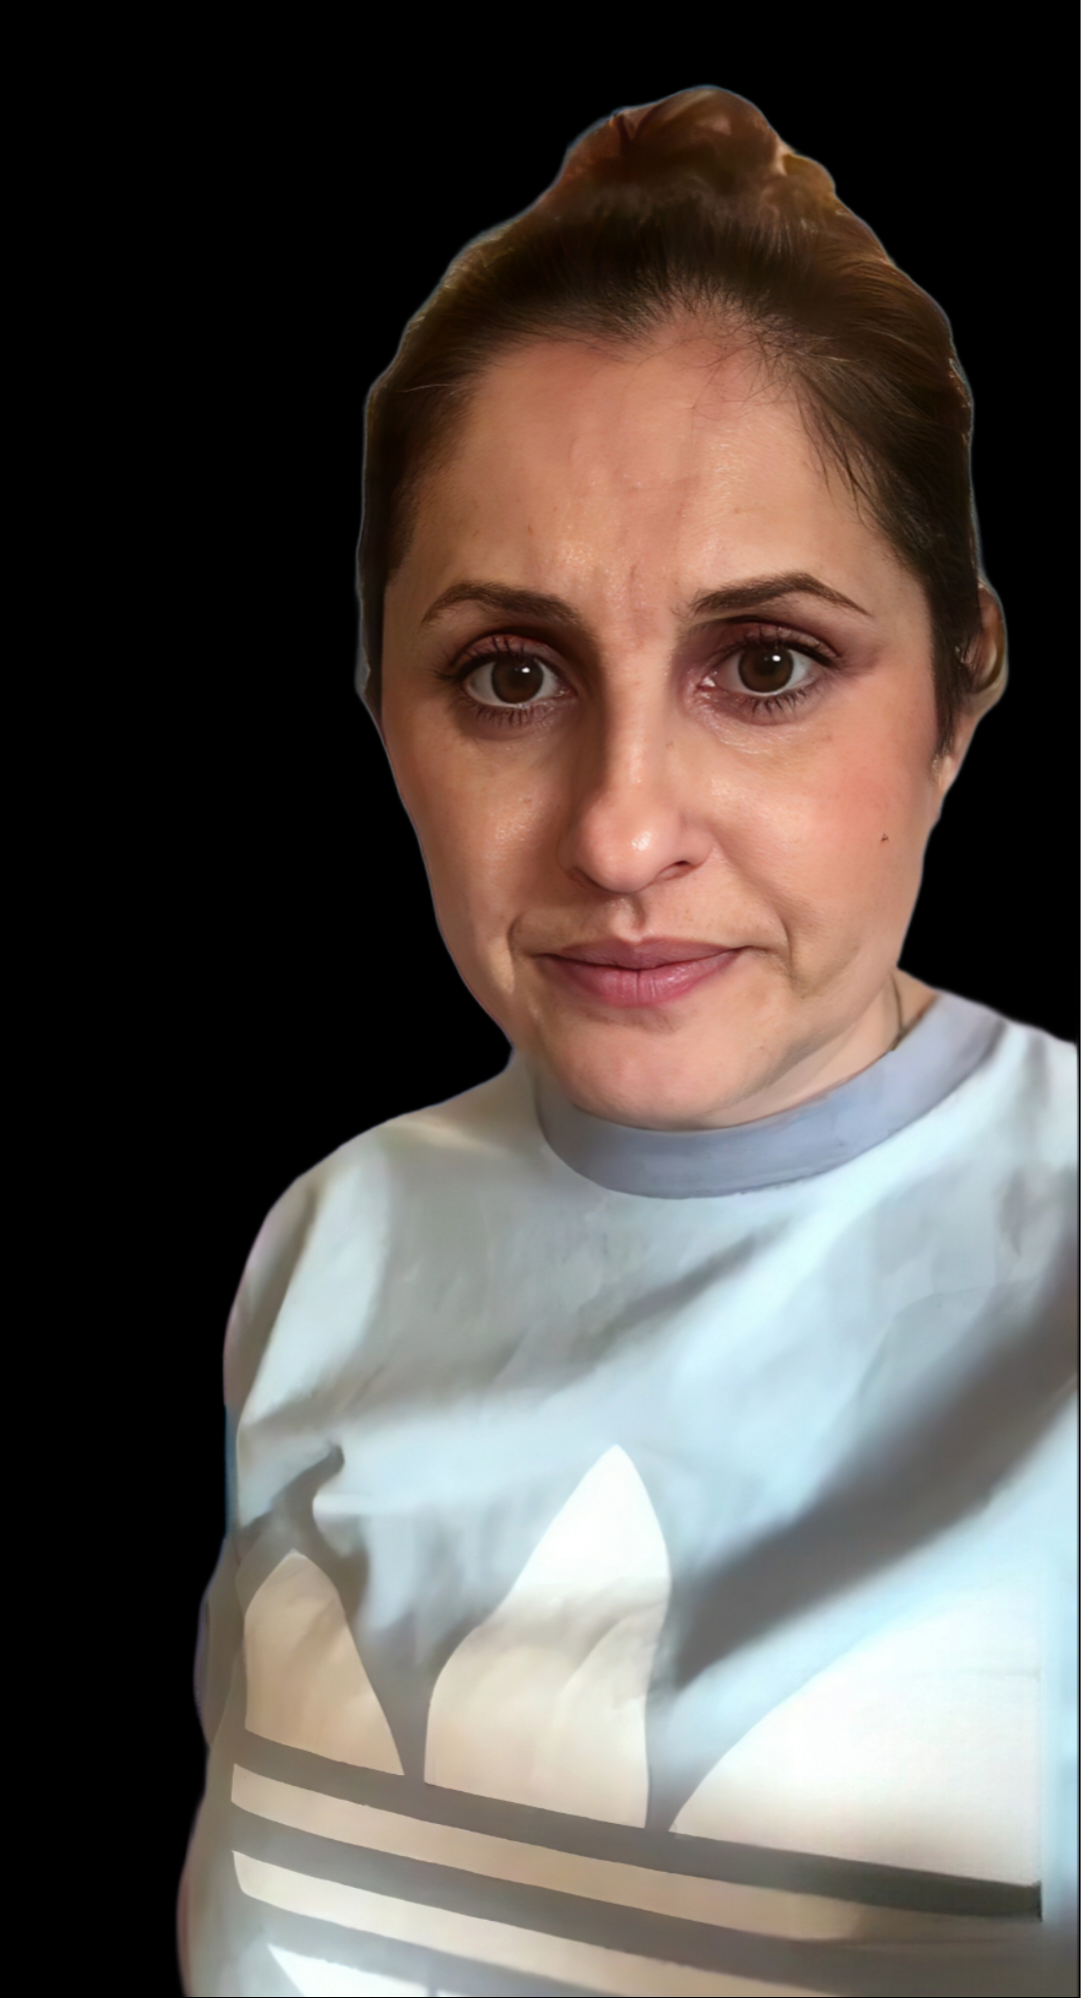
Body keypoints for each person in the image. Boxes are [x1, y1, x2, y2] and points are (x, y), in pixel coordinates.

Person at [178, 88, 1078, 1998]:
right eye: (510, 674)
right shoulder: (330, 1244)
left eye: (767, 664)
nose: (618, 829)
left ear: (958, 696)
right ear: (383, 709)